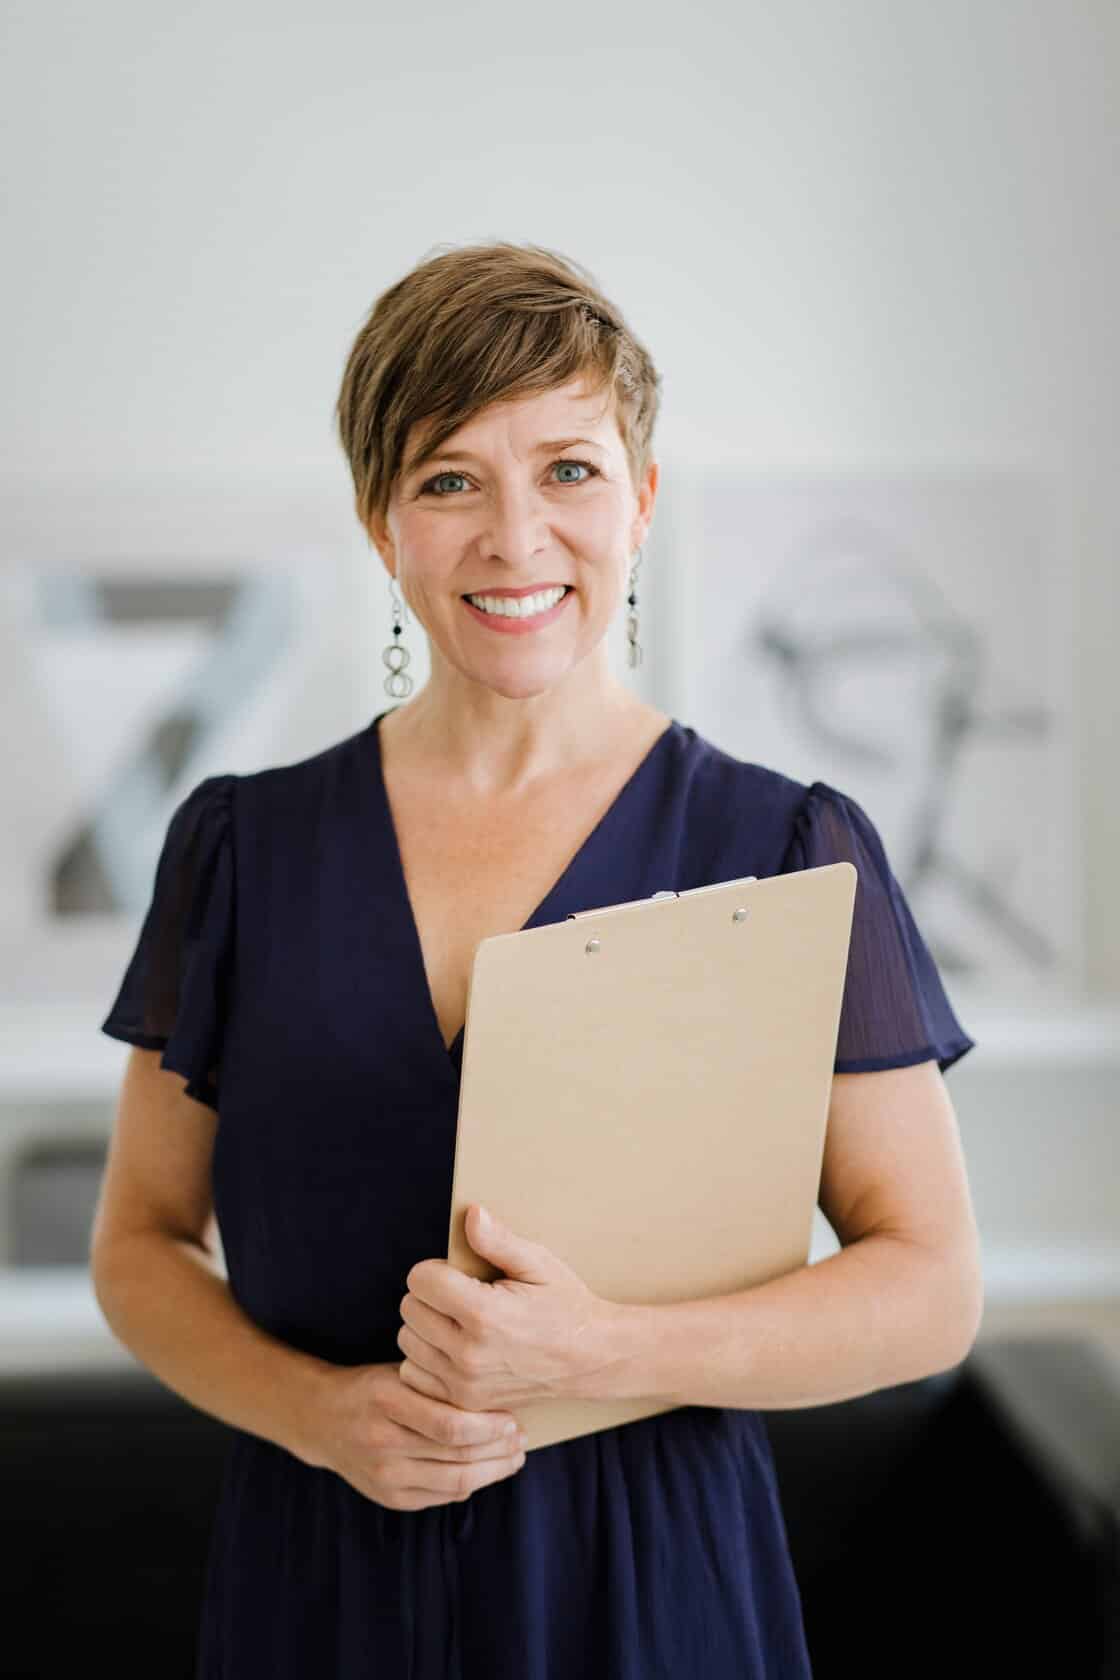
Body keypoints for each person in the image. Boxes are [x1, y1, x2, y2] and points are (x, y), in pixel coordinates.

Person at [92, 239, 981, 1678]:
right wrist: (321, 1417)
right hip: (317, 1578)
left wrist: (607, 1358)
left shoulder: (790, 844)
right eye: (450, 479)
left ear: (638, 501)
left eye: (567, 470)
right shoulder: (239, 849)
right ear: (384, 524)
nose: (515, 539)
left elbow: (930, 1286)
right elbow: (139, 1245)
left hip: (653, 1594)